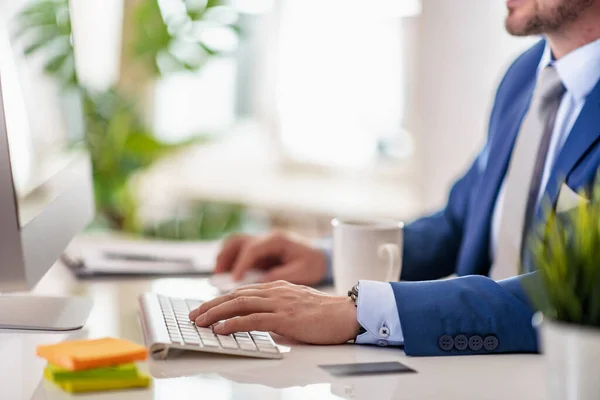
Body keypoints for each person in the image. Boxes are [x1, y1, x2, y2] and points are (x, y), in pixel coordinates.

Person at [189, 0, 600, 356]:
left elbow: (579, 292)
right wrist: (328, 257)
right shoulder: (526, 74)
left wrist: (365, 311)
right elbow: (458, 226)